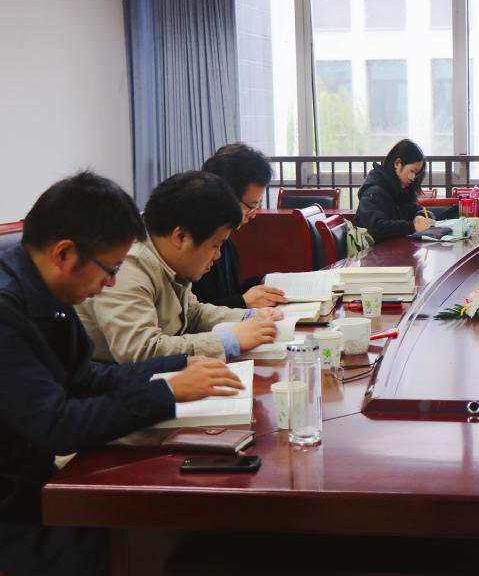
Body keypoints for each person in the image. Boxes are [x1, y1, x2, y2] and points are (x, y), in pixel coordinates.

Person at [0, 172, 245, 575]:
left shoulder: (47, 293)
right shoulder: (8, 310)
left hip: (37, 485)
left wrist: (177, 366)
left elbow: (85, 378)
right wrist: (166, 394)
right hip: (14, 510)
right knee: (157, 533)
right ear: (64, 253)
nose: (112, 282)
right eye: (109, 268)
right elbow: (57, 425)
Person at [76, 171, 280, 363]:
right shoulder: (128, 265)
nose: (218, 255)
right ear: (180, 237)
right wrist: (228, 341)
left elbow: (192, 313)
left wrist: (249, 317)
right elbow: (142, 350)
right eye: (215, 245)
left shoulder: (166, 253)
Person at [194, 143, 288, 308]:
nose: (253, 214)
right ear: (225, 196)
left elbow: (230, 293)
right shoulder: (195, 243)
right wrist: (243, 301)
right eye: (251, 206)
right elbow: (197, 312)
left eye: (257, 205)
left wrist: (265, 281)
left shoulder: (227, 242)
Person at [354, 139, 435, 243]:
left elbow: (416, 209)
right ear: (397, 163)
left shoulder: (400, 189)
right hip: (375, 252)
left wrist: (420, 216)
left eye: (416, 174)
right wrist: (413, 227)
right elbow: (376, 228)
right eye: (412, 171)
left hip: (395, 249)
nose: (413, 178)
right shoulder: (373, 192)